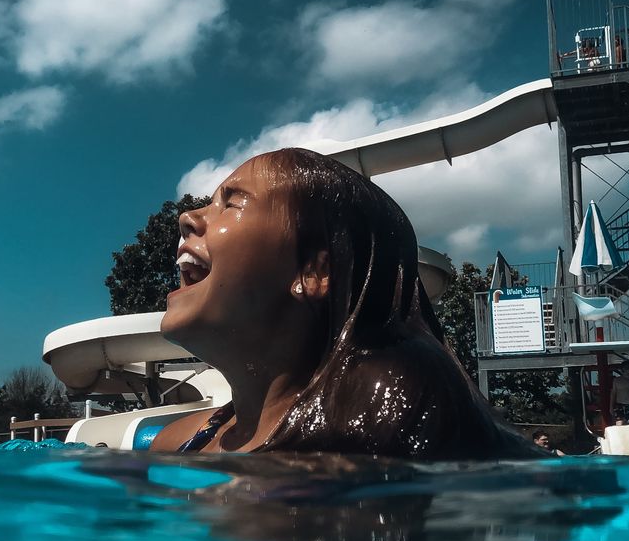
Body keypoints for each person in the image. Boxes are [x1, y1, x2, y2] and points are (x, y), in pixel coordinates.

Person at [150, 147, 540, 459]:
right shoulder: (174, 443)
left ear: (314, 272)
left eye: (231, 204)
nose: (187, 217)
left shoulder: (385, 422)